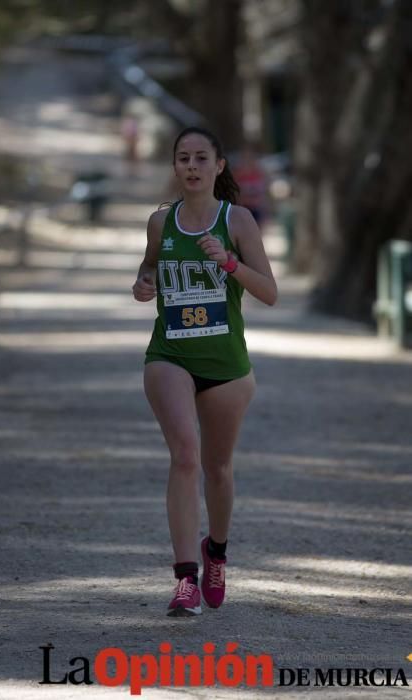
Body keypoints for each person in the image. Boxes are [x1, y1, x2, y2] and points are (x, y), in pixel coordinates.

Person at [132, 126, 277, 617]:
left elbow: (270, 293)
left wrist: (231, 263)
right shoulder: (160, 222)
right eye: (182, 158)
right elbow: (149, 266)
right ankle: (184, 579)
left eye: (200, 158)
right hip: (170, 354)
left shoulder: (237, 220)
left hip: (227, 366)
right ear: (174, 167)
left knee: (217, 468)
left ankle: (215, 550)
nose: (190, 166)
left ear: (218, 166)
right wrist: (144, 283)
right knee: (186, 456)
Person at [233, 143, 267, 227]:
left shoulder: (259, 173)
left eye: (250, 157)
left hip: (256, 208)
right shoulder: (237, 174)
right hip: (243, 208)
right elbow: (235, 192)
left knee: (257, 230)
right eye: (245, 157)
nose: (248, 160)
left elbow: (264, 192)